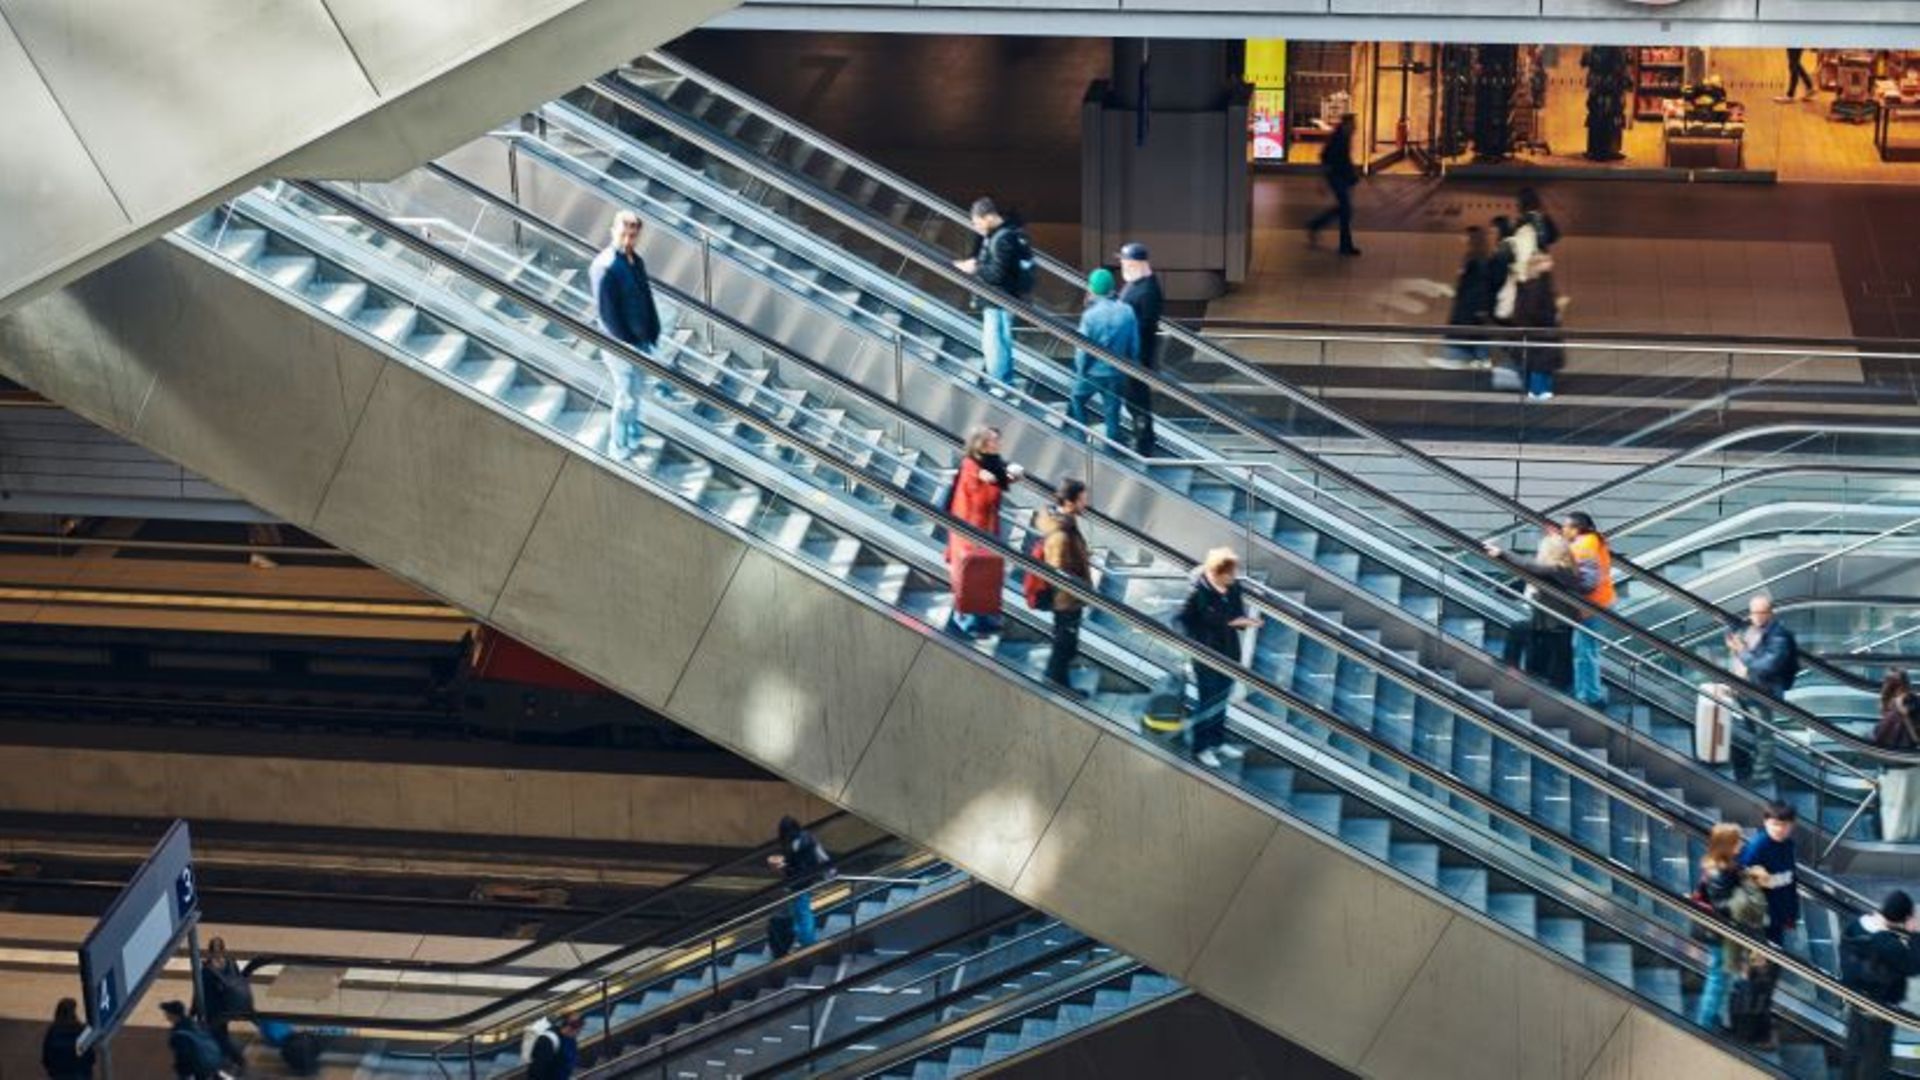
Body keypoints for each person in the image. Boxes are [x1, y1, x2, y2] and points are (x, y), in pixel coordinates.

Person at [1176, 548, 1261, 769]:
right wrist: (1199, 639)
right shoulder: (1199, 593)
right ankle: (1200, 748)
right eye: (1229, 574)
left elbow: (1236, 614)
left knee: (1222, 697)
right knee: (1208, 701)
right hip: (1206, 655)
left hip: (1229, 652)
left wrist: (1241, 622)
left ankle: (1217, 741)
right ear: (1217, 572)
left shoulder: (1233, 588)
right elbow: (1182, 621)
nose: (1233, 578)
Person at [588, 210, 662, 461]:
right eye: (624, 234)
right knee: (627, 395)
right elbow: (608, 314)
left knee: (635, 391)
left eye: (633, 235)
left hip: (640, 340)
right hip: (620, 345)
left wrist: (653, 329)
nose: (628, 240)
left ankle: (632, 432)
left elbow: (645, 295)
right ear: (613, 231)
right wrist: (627, 343)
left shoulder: (635, 261)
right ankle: (618, 445)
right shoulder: (605, 266)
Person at [945, 426, 1022, 637]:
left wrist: (1009, 477)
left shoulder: (991, 461)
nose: (998, 444)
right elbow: (981, 499)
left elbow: (999, 476)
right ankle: (963, 622)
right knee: (970, 576)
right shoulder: (972, 467)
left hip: (984, 530)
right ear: (982, 443)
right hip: (970, 531)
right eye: (994, 440)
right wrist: (994, 480)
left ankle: (982, 618)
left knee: (983, 574)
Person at [1484, 530, 1579, 692]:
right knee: (1523, 633)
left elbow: (1530, 566)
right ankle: (1516, 671)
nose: (1539, 553)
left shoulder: (1557, 570)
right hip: (1550, 625)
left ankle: (1514, 671)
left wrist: (1502, 553)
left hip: (1553, 627)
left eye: (1542, 550)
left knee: (1521, 633)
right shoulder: (1566, 569)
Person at [1840, 889, 1920, 1079]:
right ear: (1903, 918)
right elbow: (1913, 965)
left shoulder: (1855, 925)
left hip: (1856, 1002)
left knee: (1854, 1052)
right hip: (1879, 1010)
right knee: (1875, 1061)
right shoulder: (1888, 944)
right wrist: (1915, 933)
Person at [953, 197, 1034, 384]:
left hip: (998, 299)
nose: (976, 227)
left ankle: (999, 382)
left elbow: (997, 274)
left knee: (994, 343)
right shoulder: (1004, 234)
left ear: (988, 217)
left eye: (976, 222)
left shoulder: (1001, 238)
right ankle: (1003, 380)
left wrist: (975, 267)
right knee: (999, 340)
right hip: (1004, 298)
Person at [1725, 593, 1799, 786]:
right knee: (1752, 729)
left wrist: (1741, 651)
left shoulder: (1779, 636)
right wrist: (1733, 643)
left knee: (1763, 735)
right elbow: (1735, 639)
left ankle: (1761, 776)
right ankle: (1751, 765)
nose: (1756, 616)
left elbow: (1766, 667)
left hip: (1763, 692)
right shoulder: (1749, 627)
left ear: (1770, 613)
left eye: (1761, 613)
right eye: (1753, 613)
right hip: (1743, 689)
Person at [1066, 268, 1138, 444]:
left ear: (1093, 289)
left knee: (1077, 398)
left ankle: (1081, 437)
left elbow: (1082, 349)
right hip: (1117, 372)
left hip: (1092, 372)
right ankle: (1113, 443)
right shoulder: (1127, 311)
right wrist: (1131, 367)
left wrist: (1081, 370)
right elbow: (1134, 344)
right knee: (1112, 410)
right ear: (1112, 287)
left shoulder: (1090, 316)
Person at [1037, 479, 1092, 697]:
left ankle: (1058, 681)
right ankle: (1056, 682)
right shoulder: (1061, 533)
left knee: (1066, 643)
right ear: (1070, 502)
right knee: (1065, 644)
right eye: (1082, 500)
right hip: (1067, 599)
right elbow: (1058, 568)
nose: (1085, 504)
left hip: (1070, 597)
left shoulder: (1066, 523)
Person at [1690, 822, 1746, 1030]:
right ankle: (1705, 1021)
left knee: (1721, 977)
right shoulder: (1719, 874)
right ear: (1727, 845)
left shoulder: (1723, 867)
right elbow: (1722, 906)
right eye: (1737, 842)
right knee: (1718, 978)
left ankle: (1712, 1018)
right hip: (1718, 934)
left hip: (1720, 933)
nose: (1740, 845)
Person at [1430, 226, 1502, 370]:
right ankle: (1480, 359)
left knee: (1464, 332)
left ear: (1472, 238)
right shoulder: (1479, 257)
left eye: (1466, 236)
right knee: (1477, 333)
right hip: (1473, 305)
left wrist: (1479, 306)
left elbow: (1479, 285)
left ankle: (1455, 358)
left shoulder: (1476, 259)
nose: (1462, 238)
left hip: (1470, 305)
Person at [1562, 512, 1615, 709]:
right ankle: (1585, 691)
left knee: (1585, 651)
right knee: (1585, 648)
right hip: (1601, 600)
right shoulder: (1593, 540)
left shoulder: (1583, 546)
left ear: (1576, 529)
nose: (1563, 530)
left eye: (1566, 527)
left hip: (1591, 605)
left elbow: (1588, 582)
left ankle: (1590, 697)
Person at [1117, 243, 1163, 456]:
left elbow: (1145, 326)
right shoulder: (1137, 284)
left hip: (1137, 356)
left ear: (1137, 264)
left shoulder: (1147, 290)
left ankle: (1144, 443)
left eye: (1126, 262)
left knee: (1138, 400)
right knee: (1133, 399)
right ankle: (1142, 438)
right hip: (1131, 353)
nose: (1122, 266)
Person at [1739, 801, 1800, 948]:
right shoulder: (1758, 846)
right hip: (1759, 914)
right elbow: (1742, 875)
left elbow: (1791, 879)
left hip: (1777, 912)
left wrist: (1791, 913)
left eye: (1784, 825)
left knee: (1773, 953)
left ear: (1792, 825)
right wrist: (1771, 881)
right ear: (1765, 822)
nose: (1779, 829)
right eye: (1775, 824)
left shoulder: (1788, 844)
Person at [768, 815, 833, 949]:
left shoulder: (795, 843)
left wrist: (784, 866)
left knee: (801, 910)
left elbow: (798, 865)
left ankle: (807, 941)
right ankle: (804, 938)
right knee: (800, 909)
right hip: (806, 878)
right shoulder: (807, 836)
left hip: (799, 880)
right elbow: (819, 855)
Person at [1874, 670, 1920, 841]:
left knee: (1894, 811)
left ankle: (1893, 850)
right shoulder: (1916, 702)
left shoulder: (1895, 710)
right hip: (1915, 766)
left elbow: (1879, 737)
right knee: (1912, 812)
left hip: (1895, 769)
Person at [1306, 114, 1361, 256]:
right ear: (1347, 124)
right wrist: (1322, 181)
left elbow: (1343, 159)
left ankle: (1316, 225)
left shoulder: (1344, 136)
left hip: (1340, 178)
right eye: (1354, 124)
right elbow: (1326, 157)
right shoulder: (1339, 138)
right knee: (1345, 211)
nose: (1356, 127)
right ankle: (1345, 246)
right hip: (1337, 178)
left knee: (1343, 210)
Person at [196, 936, 251, 1074]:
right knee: (221, 1032)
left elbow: (200, 990)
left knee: (218, 1034)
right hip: (226, 1006)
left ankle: (235, 1058)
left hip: (213, 1007)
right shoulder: (231, 963)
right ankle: (227, 1058)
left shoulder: (207, 968)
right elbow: (240, 980)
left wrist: (194, 1010)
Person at [161, 1000, 220, 1080]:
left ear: (174, 1015)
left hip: (195, 1071)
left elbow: (185, 1056)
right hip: (208, 1066)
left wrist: (183, 1072)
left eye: (167, 1013)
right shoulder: (194, 1025)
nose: (166, 1016)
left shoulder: (180, 1033)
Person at [41, 997, 94, 1080]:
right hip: (80, 1075)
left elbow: (46, 1058)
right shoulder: (82, 1030)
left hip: (59, 1075)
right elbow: (91, 1056)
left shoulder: (53, 1031)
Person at [527, 1013, 583, 1080]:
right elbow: (538, 1068)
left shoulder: (571, 1039)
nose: (578, 1034)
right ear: (569, 1028)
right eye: (578, 1031)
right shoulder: (547, 1040)